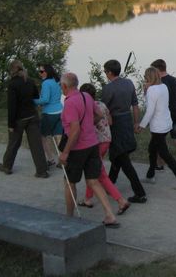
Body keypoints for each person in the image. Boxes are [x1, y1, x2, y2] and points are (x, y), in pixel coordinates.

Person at [58, 73, 119, 227]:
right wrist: (89, 126)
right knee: (93, 180)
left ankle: (69, 217)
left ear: (65, 86)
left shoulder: (70, 103)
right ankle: (110, 215)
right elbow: (99, 114)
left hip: (77, 149)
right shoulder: (86, 96)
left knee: (70, 182)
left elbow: (75, 130)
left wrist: (65, 152)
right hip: (92, 145)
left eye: (61, 86)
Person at [78, 83, 130, 216]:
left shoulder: (86, 106)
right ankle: (88, 198)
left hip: (95, 143)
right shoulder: (102, 105)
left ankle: (120, 200)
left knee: (99, 174)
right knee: (93, 171)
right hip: (107, 139)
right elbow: (111, 122)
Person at [136, 67, 176, 189]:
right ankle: (150, 176)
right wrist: (146, 91)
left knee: (164, 153)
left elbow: (150, 110)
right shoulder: (163, 86)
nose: (144, 79)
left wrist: (141, 125)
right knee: (152, 149)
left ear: (148, 77)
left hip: (158, 127)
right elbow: (156, 103)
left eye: (145, 77)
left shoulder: (152, 90)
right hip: (166, 123)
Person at [101, 59, 147, 203]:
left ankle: (140, 193)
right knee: (117, 155)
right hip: (127, 120)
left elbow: (103, 109)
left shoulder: (108, 89)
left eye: (105, 72)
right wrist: (136, 122)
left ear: (109, 72)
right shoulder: (128, 83)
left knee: (122, 158)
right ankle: (110, 184)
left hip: (115, 123)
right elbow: (135, 105)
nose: (105, 74)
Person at [0, 60, 49, 178]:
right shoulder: (30, 81)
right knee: (36, 144)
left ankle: (7, 166)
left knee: (14, 143)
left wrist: (10, 124)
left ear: (12, 70)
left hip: (19, 118)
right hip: (32, 115)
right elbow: (36, 96)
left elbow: (12, 106)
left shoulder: (12, 84)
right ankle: (42, 171)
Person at [34, 63, 63, 167]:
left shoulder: (46, 83)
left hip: (49, 113)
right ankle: (62, 161)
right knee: (58, 137)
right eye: (39, 71)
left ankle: (50, 159)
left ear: (47, 72)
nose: (40, 73)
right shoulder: (57, 81)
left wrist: (33, 101)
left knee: (43, 137)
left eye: (41, 71)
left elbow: (45, 100)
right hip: (60, 111)